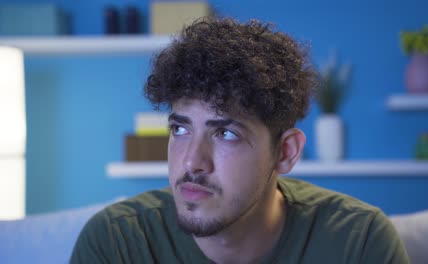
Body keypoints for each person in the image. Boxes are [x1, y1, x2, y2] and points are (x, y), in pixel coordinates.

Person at [71, 17, 409, 263]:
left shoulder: (358, 242)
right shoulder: (117, 243)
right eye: (180, 129)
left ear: (286, 152)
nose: (191, 161)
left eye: (226, 133)